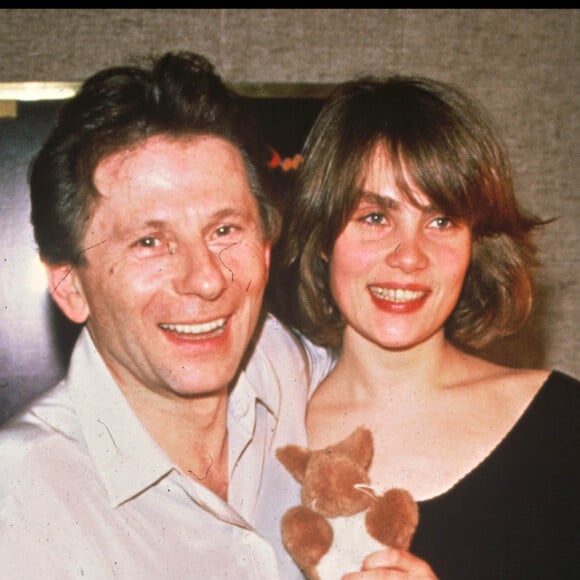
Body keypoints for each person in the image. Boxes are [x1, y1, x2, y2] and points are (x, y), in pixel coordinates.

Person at [0, 50, 337, 580]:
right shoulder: (22, 503)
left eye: (225, 230)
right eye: (150, 242)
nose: (206, 279)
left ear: (267, 248)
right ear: (70, 286)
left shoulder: (291, 366)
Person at [282, 75, 580, 579]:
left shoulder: (565, 428)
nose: (410, 257)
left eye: (441, 221)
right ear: (324, 235)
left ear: (476, 245)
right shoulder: (262, 432)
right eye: (375, 216)